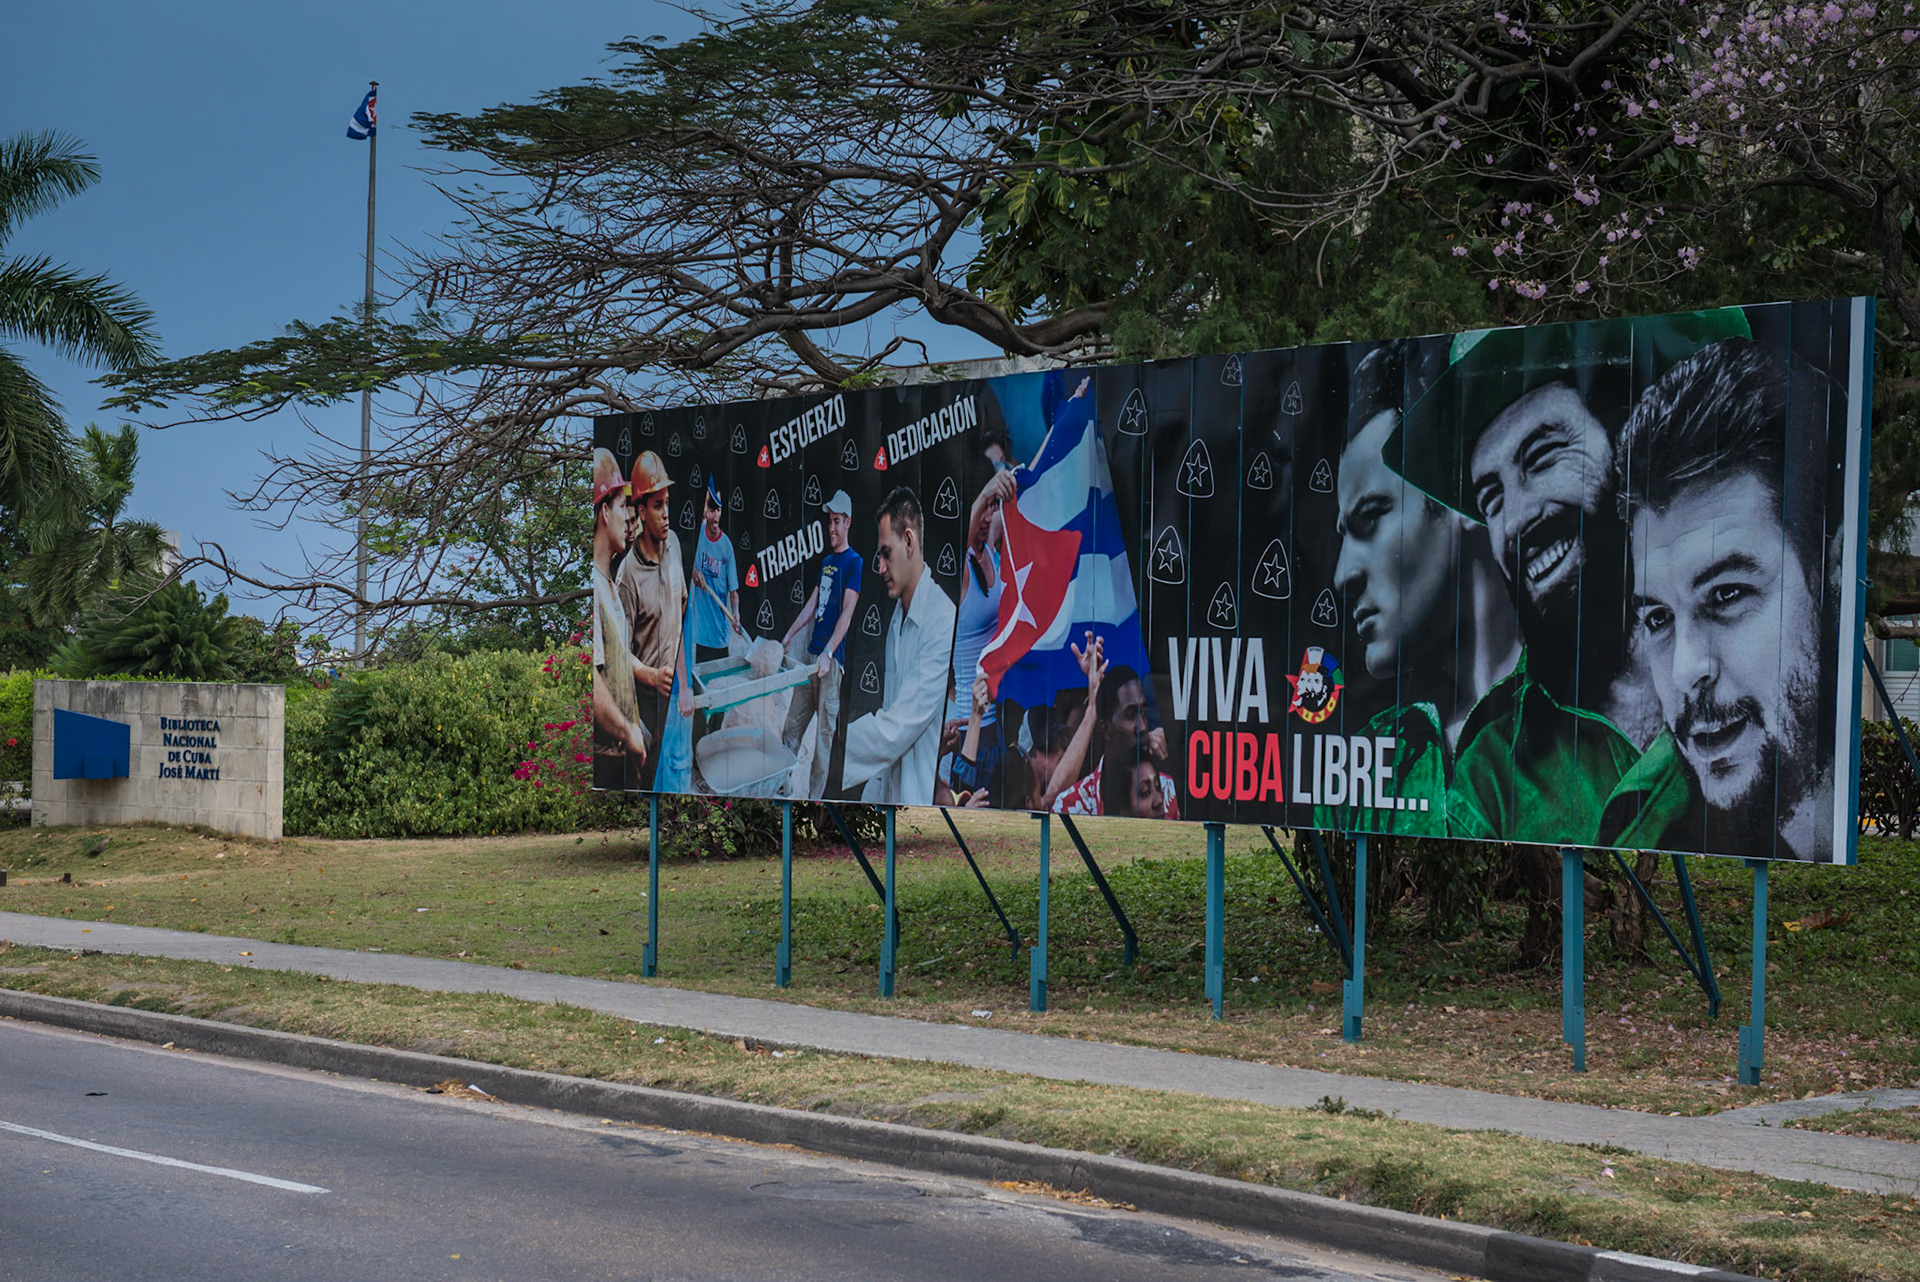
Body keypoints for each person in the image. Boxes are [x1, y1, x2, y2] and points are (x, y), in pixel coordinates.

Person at [1598, 338, 1839, 860]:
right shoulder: (1630, 825)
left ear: (1829, 577)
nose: (1686, 670)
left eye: (1726, 594)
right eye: (1658, 617)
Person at [1321, 341, 1520, 836]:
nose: (1342, 575)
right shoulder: (1365, 763)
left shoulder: (1589, 739)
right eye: (1344, 534)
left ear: (1455, 496)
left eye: (1371, 516)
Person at [840, 486, 958, 804]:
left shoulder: (942, 619)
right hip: (893, 805)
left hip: (920, 809)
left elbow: (895, 731)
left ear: (908, 541)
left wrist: (829, 749)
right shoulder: (897, 620)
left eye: (886, 553)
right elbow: (891, 723)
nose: (879, 567)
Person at [781, 488, 862, 797]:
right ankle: (783, 796)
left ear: (848, 523)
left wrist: (829, 653)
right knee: (790, 732)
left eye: (838, 521)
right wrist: (789, 635)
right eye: (830, 520)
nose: (832, 527)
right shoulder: (827, 561)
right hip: (810, 661)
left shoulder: (854, 563)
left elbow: (848, 613)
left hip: (830, 665)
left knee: (821, 747)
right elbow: (813, 605)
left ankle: (812, 805)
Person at [614, 449, 686, 790]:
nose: (666, 515)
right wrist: (651, 675)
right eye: (657, 506)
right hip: (648, 707)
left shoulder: (674, 546)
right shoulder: (627, 575)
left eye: (667, 503)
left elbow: (682, 610)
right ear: (641, 511)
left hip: (678, 700)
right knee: (653, 785)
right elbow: (616, 650)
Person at [589, 448, 650, 785]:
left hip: (626, 754)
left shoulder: (609, 584)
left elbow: (613, 653)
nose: (630, 516)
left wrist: (649, 673)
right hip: (609, 760)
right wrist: (627, 731)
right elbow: (593, 678)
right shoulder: (595, 590)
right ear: (604, 512)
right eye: (623, 505)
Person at [689, 477, 743, 666]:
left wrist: (735, 612)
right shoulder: (697, 536)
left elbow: (733, 590)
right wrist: (694, 572)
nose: (715, 516)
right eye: (711, 510)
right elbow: (691, 568)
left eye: (718, 510)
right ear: (705, 510)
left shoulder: (726, 545)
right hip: (700, 636)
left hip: (721, 636)